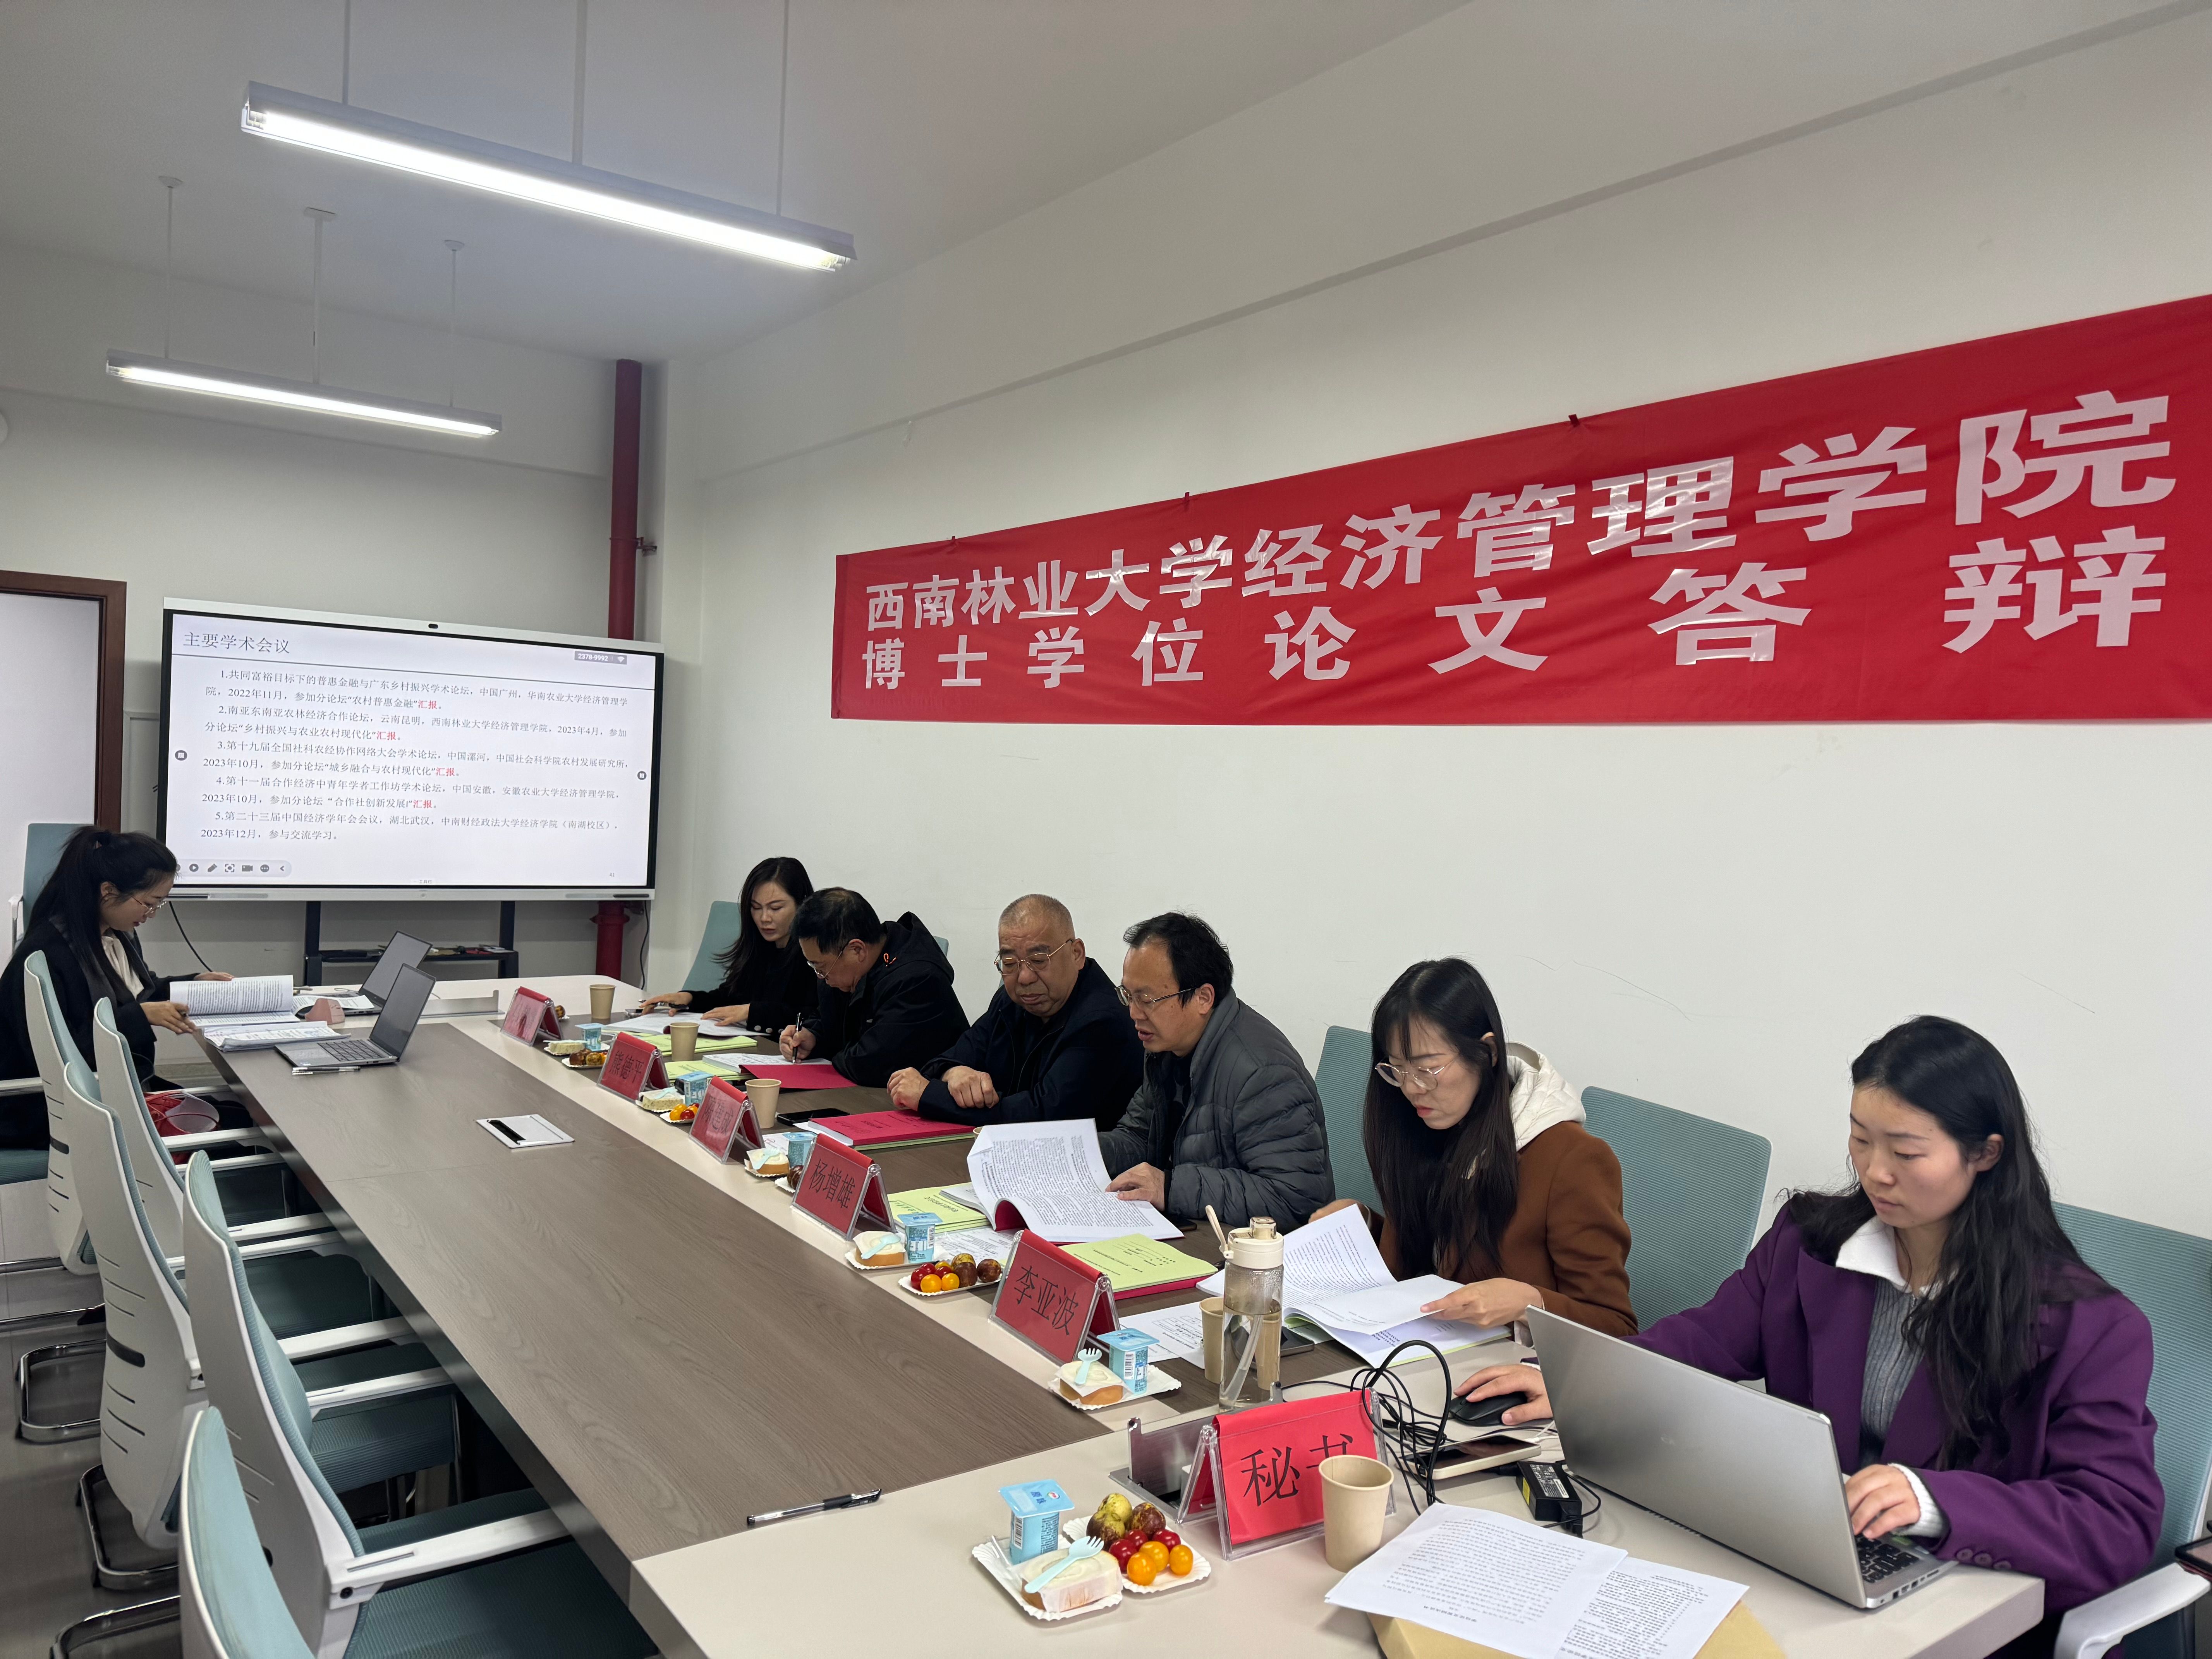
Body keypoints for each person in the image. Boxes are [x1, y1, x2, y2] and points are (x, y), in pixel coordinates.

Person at [1458, 1016, 2162, 1630]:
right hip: (1809, 1566)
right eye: (1860, 1140)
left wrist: (1931, 1500)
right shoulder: (1810, 1243)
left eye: (1906, 1152)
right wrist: (1587, 1378)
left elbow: (2117, 1523)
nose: (1876, 1172)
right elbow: (1710, 1337)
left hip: (1961, 1605)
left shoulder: (2089, 1326)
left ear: (1985, 1153)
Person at [1309, 959, 1633, 1336]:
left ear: (1488, 1053)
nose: (1411, 1088)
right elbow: (1436, 1259)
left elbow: (1618, 1328)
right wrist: (1362, 1226)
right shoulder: (1426, 1125)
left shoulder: (1572, 1160)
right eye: (1398, 1070)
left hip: (1510, 1364)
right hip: (1418, 1347)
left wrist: (1531, 1304)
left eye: (1427, 1068)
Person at [0, 828, 236, 1145]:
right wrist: (141, 1016)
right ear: (109, 891)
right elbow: (61, 1054)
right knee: (228, 1136)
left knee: (235, 1114)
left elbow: (137, 992)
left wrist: (193, 983)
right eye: (150, 903)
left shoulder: (114, 934)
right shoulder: (47, 955)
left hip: (114, 1086)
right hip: (51, 1109)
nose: (151, 915)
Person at [1098, 912, 1332, 1230]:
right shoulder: (1166, 1047)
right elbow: (1140, 1136)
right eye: (1128, 995)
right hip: (1196, 1229)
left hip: (1253, 1251)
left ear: (1203, 998)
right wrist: (1079, 1154)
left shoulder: (1263, 1073)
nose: (1133, 1013)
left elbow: (1293, 1200)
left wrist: (1170, 1188)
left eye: (1147, 999)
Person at [885, 894, 1143, 1128]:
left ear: (1077, 954)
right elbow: (947, 1059)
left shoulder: (1103, 1020)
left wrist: (929, 1095)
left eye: (1039, 960)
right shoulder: (1013, 1002)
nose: (1024, 978)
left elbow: (1042, 1114)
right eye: (1010, 963)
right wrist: (955, 1073)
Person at [777, 888, 968, 1088]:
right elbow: (833, 1022)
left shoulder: (917, 980)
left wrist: (834, 1050)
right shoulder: (848, 971)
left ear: (857, 950)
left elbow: (870, 1064)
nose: (821, 976)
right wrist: (813, 1036)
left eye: (821, 967)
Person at [639, 857, 814, 1030]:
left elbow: (814, 1017)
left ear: (802, 904)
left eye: (776, 908)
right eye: (756, 907)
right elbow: (731, 999)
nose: (764, 918)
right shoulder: (760, 947)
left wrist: (752, 1012)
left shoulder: (815, 955)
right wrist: (689, 999)